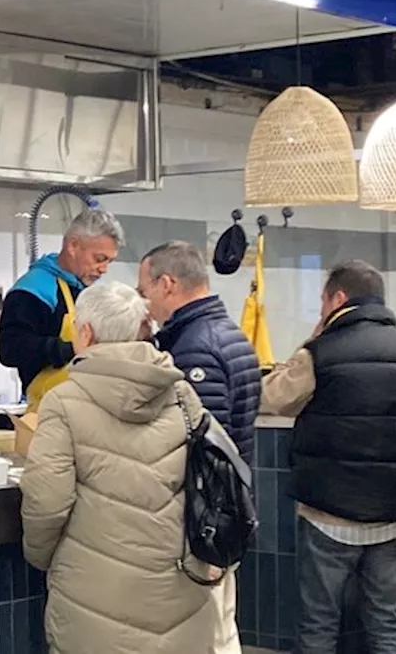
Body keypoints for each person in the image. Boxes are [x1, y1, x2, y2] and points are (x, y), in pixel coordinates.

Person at [260, 260, 396, 654]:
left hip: (328, 517)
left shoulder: (319, 354)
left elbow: (271, 398)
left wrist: (308, 344)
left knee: (319, 626)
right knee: (387, 625)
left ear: (338, 299)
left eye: (322, 302)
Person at [20, 280, 228, 653]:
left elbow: (47, 500)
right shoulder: (182, 394)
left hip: (95, 594)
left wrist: (42, 556)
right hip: (180, 589)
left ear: (85, 333)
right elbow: (214, 476)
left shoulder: (64, 402)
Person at [138, 240, 258, 654]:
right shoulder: (229, 334)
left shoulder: (193, 346)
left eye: (144, 292)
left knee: (204, 633)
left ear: (167, 284)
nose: (145, 305)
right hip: (228, 511)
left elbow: (202, 446)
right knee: (221, 628)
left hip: (205, 516)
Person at [0, 208, 124, 411]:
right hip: (47, 411)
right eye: (99, 259)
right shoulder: (34, 289)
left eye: (109, 261)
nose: (104, 269)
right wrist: (68, 349)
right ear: (73, 245)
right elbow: (10, 349)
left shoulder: (85, 290)